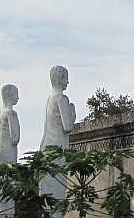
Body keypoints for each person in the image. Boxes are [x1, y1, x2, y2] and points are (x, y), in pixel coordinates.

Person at [40, 66, 77, 216]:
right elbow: (67, 126)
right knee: (58, 193)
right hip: (57, 150)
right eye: (66, 78)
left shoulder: (49, 99)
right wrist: (73, 112)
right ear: (60, 78)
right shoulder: (61, 98)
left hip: (46, 147)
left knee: (47, 193)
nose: (68, 81)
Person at [0, 84, 21, 217]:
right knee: (9, 185)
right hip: (9, 151)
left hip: (0, 150)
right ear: (10, 95)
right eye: (17, 94)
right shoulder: (11, 113)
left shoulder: (1, 113)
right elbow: (15, 138)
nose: (18, 97)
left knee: (2, 185)